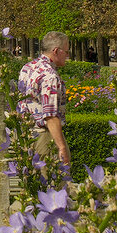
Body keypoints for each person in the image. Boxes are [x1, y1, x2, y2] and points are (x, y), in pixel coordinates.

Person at [17, 31, 71, 167]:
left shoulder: (27, 67)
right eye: (66, 51)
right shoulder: (50, 76)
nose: (68, 55)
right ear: (56, 51)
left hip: (26, 137)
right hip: (45, 138)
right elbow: (50, 116)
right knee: (55, 184)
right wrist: (61, 147)